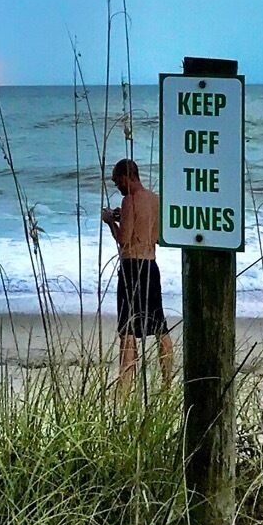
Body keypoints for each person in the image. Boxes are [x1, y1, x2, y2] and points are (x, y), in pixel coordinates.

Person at [102, 158, 172, 392]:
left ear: (127, 176)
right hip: (151, 266)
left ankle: (125, 386)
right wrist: (127, 219)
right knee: (160, 326)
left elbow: (124, 241)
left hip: (132, 268)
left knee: (128, 329)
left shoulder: (129, 200)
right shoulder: (155, 200)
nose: (117, 186)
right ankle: (167, 383)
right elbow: (158, 235)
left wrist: (111, 221)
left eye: (117, 181)